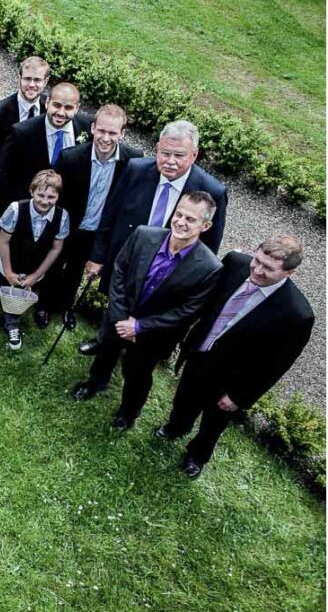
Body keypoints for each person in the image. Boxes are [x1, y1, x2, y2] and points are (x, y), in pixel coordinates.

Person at [155, 236, 314, 478]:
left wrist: (240, 397)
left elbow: (277, 366)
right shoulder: (234, 263)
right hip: (199, 354)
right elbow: (207, 304)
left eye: (268, 268)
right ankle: (175, 427)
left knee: (213, 424)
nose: (257, 270)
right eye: (257, 260)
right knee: (184, 399)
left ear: (289, 273)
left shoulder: (297, 314)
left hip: (232, 381)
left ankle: (197, 456)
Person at [70, 192, 223, 433]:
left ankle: (128, 413)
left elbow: (187, 311)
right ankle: (95, 382)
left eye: (190, 219)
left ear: (205, 226)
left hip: (153, 335)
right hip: (118, 317)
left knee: (138, 374)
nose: (180, 222)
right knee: (106, 352)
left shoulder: (209, 267)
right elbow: (119, 271)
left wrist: (138, 326)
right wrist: (121, 318)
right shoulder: (143, 235)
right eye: (179, 214)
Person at [85, 120, 229, 295]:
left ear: (194, 155)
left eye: (179, 155)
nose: (170, 161)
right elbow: (110, 214)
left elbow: (209, 245)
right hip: (124, 263)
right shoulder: (135, 170)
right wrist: (97, 257)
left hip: (167, 277)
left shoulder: (212, 192)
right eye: (165, 153)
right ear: (157, 148)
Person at [53, 105, 142, 329]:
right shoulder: (70, 157)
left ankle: (65, 307)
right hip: (69, 226)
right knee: (55, 264)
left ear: (122, 134)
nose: (105, 138)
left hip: (97, 232)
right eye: (101, 131)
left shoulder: (134, 161)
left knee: (75, 272)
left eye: (112, 133)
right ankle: (44, 305)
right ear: (92, 128)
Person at [0, 170, 68, 351]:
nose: (45, 201)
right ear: (31, 191)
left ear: (58, 196)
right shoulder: (16, 209)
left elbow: (56, 248)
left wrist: (36, 275)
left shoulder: (62, 217)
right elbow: (3, 241)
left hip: (33, 269)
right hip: (9, 263)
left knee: (19, 298)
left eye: (51, 196)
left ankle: (12, 322)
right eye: (41, 195)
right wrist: (8, 272)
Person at [0, 56, 50, 275]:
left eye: (37, 80)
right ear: (19, 78)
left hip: (32, 185)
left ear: (46, 82)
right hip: (3, 185)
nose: (32, 85)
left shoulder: (49, 109)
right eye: (27, 79)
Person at [0, 82, 92, 205]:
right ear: (47, 102)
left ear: (77, 108)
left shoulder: (88, 127)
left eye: (68, 108)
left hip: (69, 206)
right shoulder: (22, 132)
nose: (61, 113)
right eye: (56, 105)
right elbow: (4, 173)